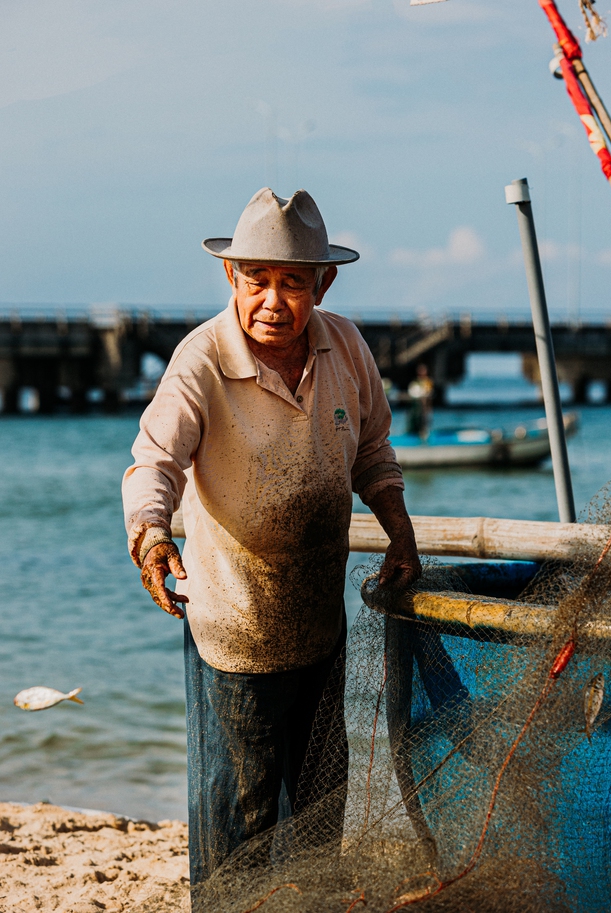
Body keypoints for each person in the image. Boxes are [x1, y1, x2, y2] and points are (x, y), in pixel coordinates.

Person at [122, 187, 422, 893]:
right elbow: (153, 462)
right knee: (241, 813)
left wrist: (401, 533)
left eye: (293, 282)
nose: (273, 300)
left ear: (325, 281)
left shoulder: (345, 346)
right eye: (257, 280)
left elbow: (374, 451)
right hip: (234, 628)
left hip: (320, 623)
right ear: (232, 278)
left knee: (321, 803)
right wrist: (152, 538)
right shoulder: (201, 361)